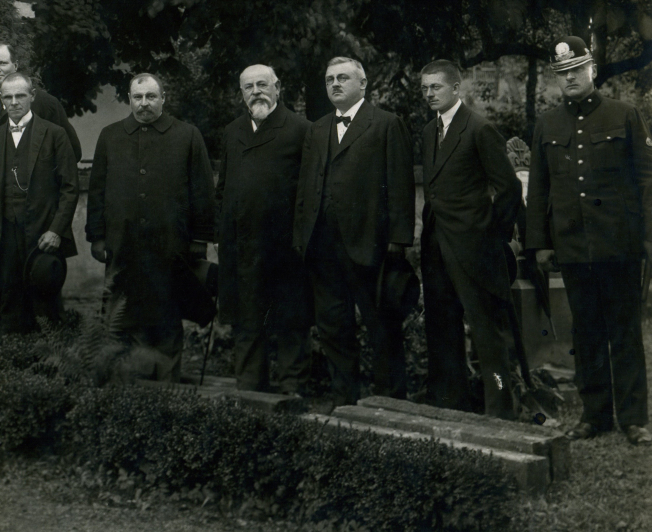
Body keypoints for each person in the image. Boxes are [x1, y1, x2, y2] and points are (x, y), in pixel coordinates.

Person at [526, 36, 652, 444]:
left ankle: (633, 419)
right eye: (563, 73)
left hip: (620, 244)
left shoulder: (625, 114)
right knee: (587, 333)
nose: (570, 78)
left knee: (625, 332)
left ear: (592, 70)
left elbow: (646, 180)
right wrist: (540, 244)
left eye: (577, 70)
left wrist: (647, 239)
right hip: (574, 246)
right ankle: (595, 415)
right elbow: (540, 190)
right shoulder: (547, 124)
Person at [292, 56, 416, 407]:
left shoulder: (386, 124)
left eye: (343, 78)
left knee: (381, 326)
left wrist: (398, 239)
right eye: (329, 79)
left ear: (363, 84)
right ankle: (344, 398)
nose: (334, 84)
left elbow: (401, 185)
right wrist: (302, 236)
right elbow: (306, 187)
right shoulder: (316, 130)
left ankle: (389, 400)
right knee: (333, 325)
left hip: (370, 244)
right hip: (323, 246)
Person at [86, 74, 216, 382]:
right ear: (130, 100)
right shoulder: (110, 135)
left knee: (167, 315)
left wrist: (200, 239)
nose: (144, 103)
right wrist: (98, 236)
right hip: (123, 244)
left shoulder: (187, 135)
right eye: (138, 97)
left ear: (163, 98)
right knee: (122, 314)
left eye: (150, 97)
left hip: (170, 246)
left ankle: (167, 381)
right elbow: (97, 190)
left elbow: (202, 190)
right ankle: (126, 381)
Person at [418, 60, 526, 418]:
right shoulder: (427, 132)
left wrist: (489, 233)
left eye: (436, 87)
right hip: (436, 248)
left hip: (474, 249)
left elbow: (509, 187)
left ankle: (500, 409)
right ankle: (452, 404)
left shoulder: (479, 129)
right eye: (425, 88)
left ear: (455, 88)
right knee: (443, 329)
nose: (429, 93)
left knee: (486, 335)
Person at [0, 42, 82, 335]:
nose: (13, 102)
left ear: (32, 97)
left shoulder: (54, 133)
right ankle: (12, 366)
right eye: (8, 97)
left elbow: (69, 188)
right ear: (1, 98)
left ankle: (51, 370)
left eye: (20, 96)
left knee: (46, 304)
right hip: (4, 234)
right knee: (9, 305)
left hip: (43, 231)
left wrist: (56, 230)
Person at [216, 65, 313, 393]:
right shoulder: (232, 131)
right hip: (242, 249)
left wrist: (301, 240)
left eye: (262, 84)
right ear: (241, 93)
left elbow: (309, 193)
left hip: (285, 249)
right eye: (248, 87)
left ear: (277, 87)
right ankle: (250, 393)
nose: (256, 91)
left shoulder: (301, 129)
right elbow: (224, 189)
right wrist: (222, 238)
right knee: (246, 323)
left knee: (290, 322)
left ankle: (292, 393)